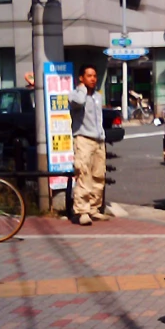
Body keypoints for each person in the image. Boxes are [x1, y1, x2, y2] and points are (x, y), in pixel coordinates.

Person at [69, 65, 107, 226]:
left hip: (99, 140)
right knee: (84, 175)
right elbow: (78, 102)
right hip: (83, 139)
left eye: (95, 76)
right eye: (89, 76)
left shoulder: (97, 96)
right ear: (81, 78)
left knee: (99, 175)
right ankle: (82, 211)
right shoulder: (75, 94)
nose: (93, 79)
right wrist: (82, 89)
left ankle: (94, 208)